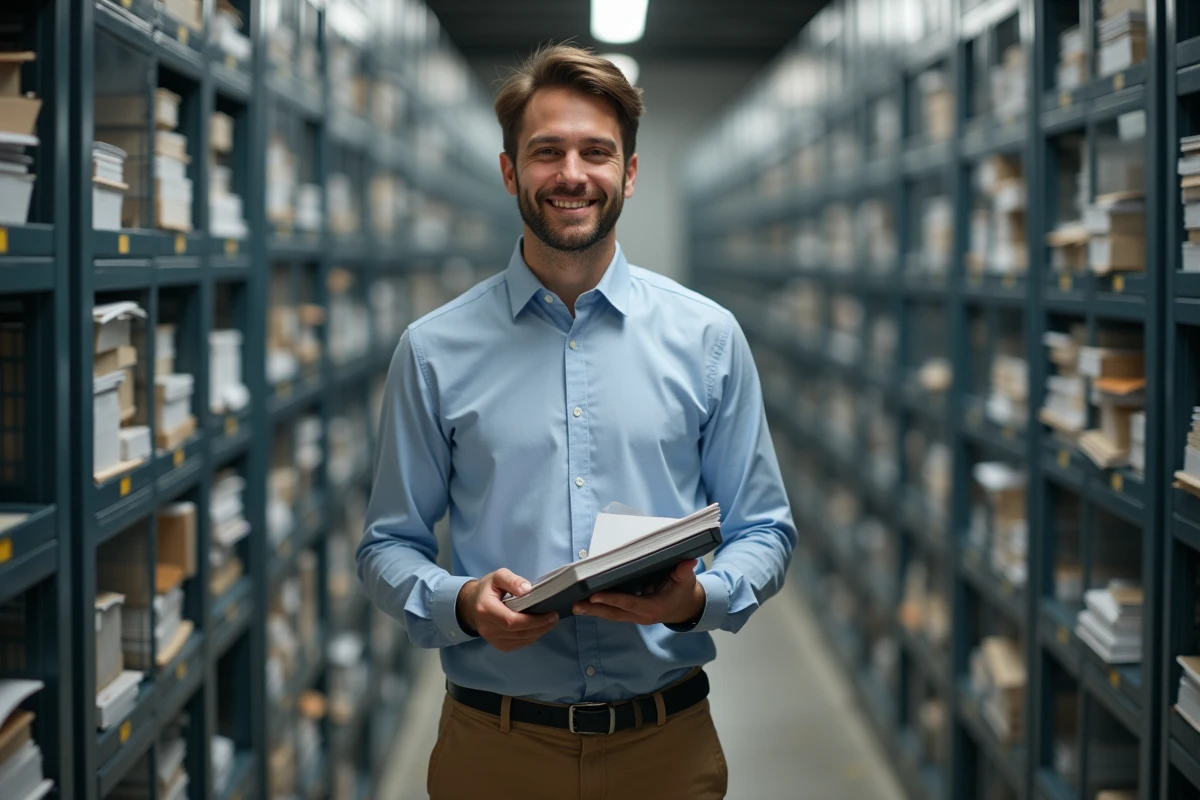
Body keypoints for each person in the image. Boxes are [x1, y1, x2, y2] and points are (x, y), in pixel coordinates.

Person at [356, 43, 796, 800]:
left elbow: (765, 529)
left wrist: (697, 600)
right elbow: (386, 545)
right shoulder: (433, 351)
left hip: (665, 746)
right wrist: (461, 604)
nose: (571, 174)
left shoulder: (708, 338)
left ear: (629, 172)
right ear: (509, 172)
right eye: (546, 151)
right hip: (495, 749)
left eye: (596, 152)